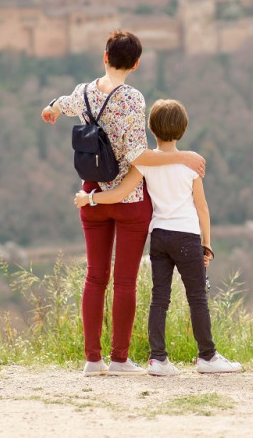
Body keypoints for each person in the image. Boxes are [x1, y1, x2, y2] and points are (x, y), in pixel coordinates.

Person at [41, 30, 205, 376]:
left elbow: (62, 105)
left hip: (92, 194)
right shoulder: (131, 99)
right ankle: (119, 359)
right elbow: (139, 155)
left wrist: (51, 108)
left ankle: (91, 360)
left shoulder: (83, 92)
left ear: (104, 56)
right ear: (136, 64)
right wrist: (184, 157)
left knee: (94, 276)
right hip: (129, 199)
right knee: (125, 281)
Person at [75, 98, 242, 376]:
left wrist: (90, 198)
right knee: (197, 297)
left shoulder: (144, 163)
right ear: (183, 129)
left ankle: (158, 360)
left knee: (159, 298)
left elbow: (120, 194)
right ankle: (207, 357)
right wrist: (207, 244)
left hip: (160, 237)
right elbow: (202, 207)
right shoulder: (191, 163)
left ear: (151, 130)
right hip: (187, 237)